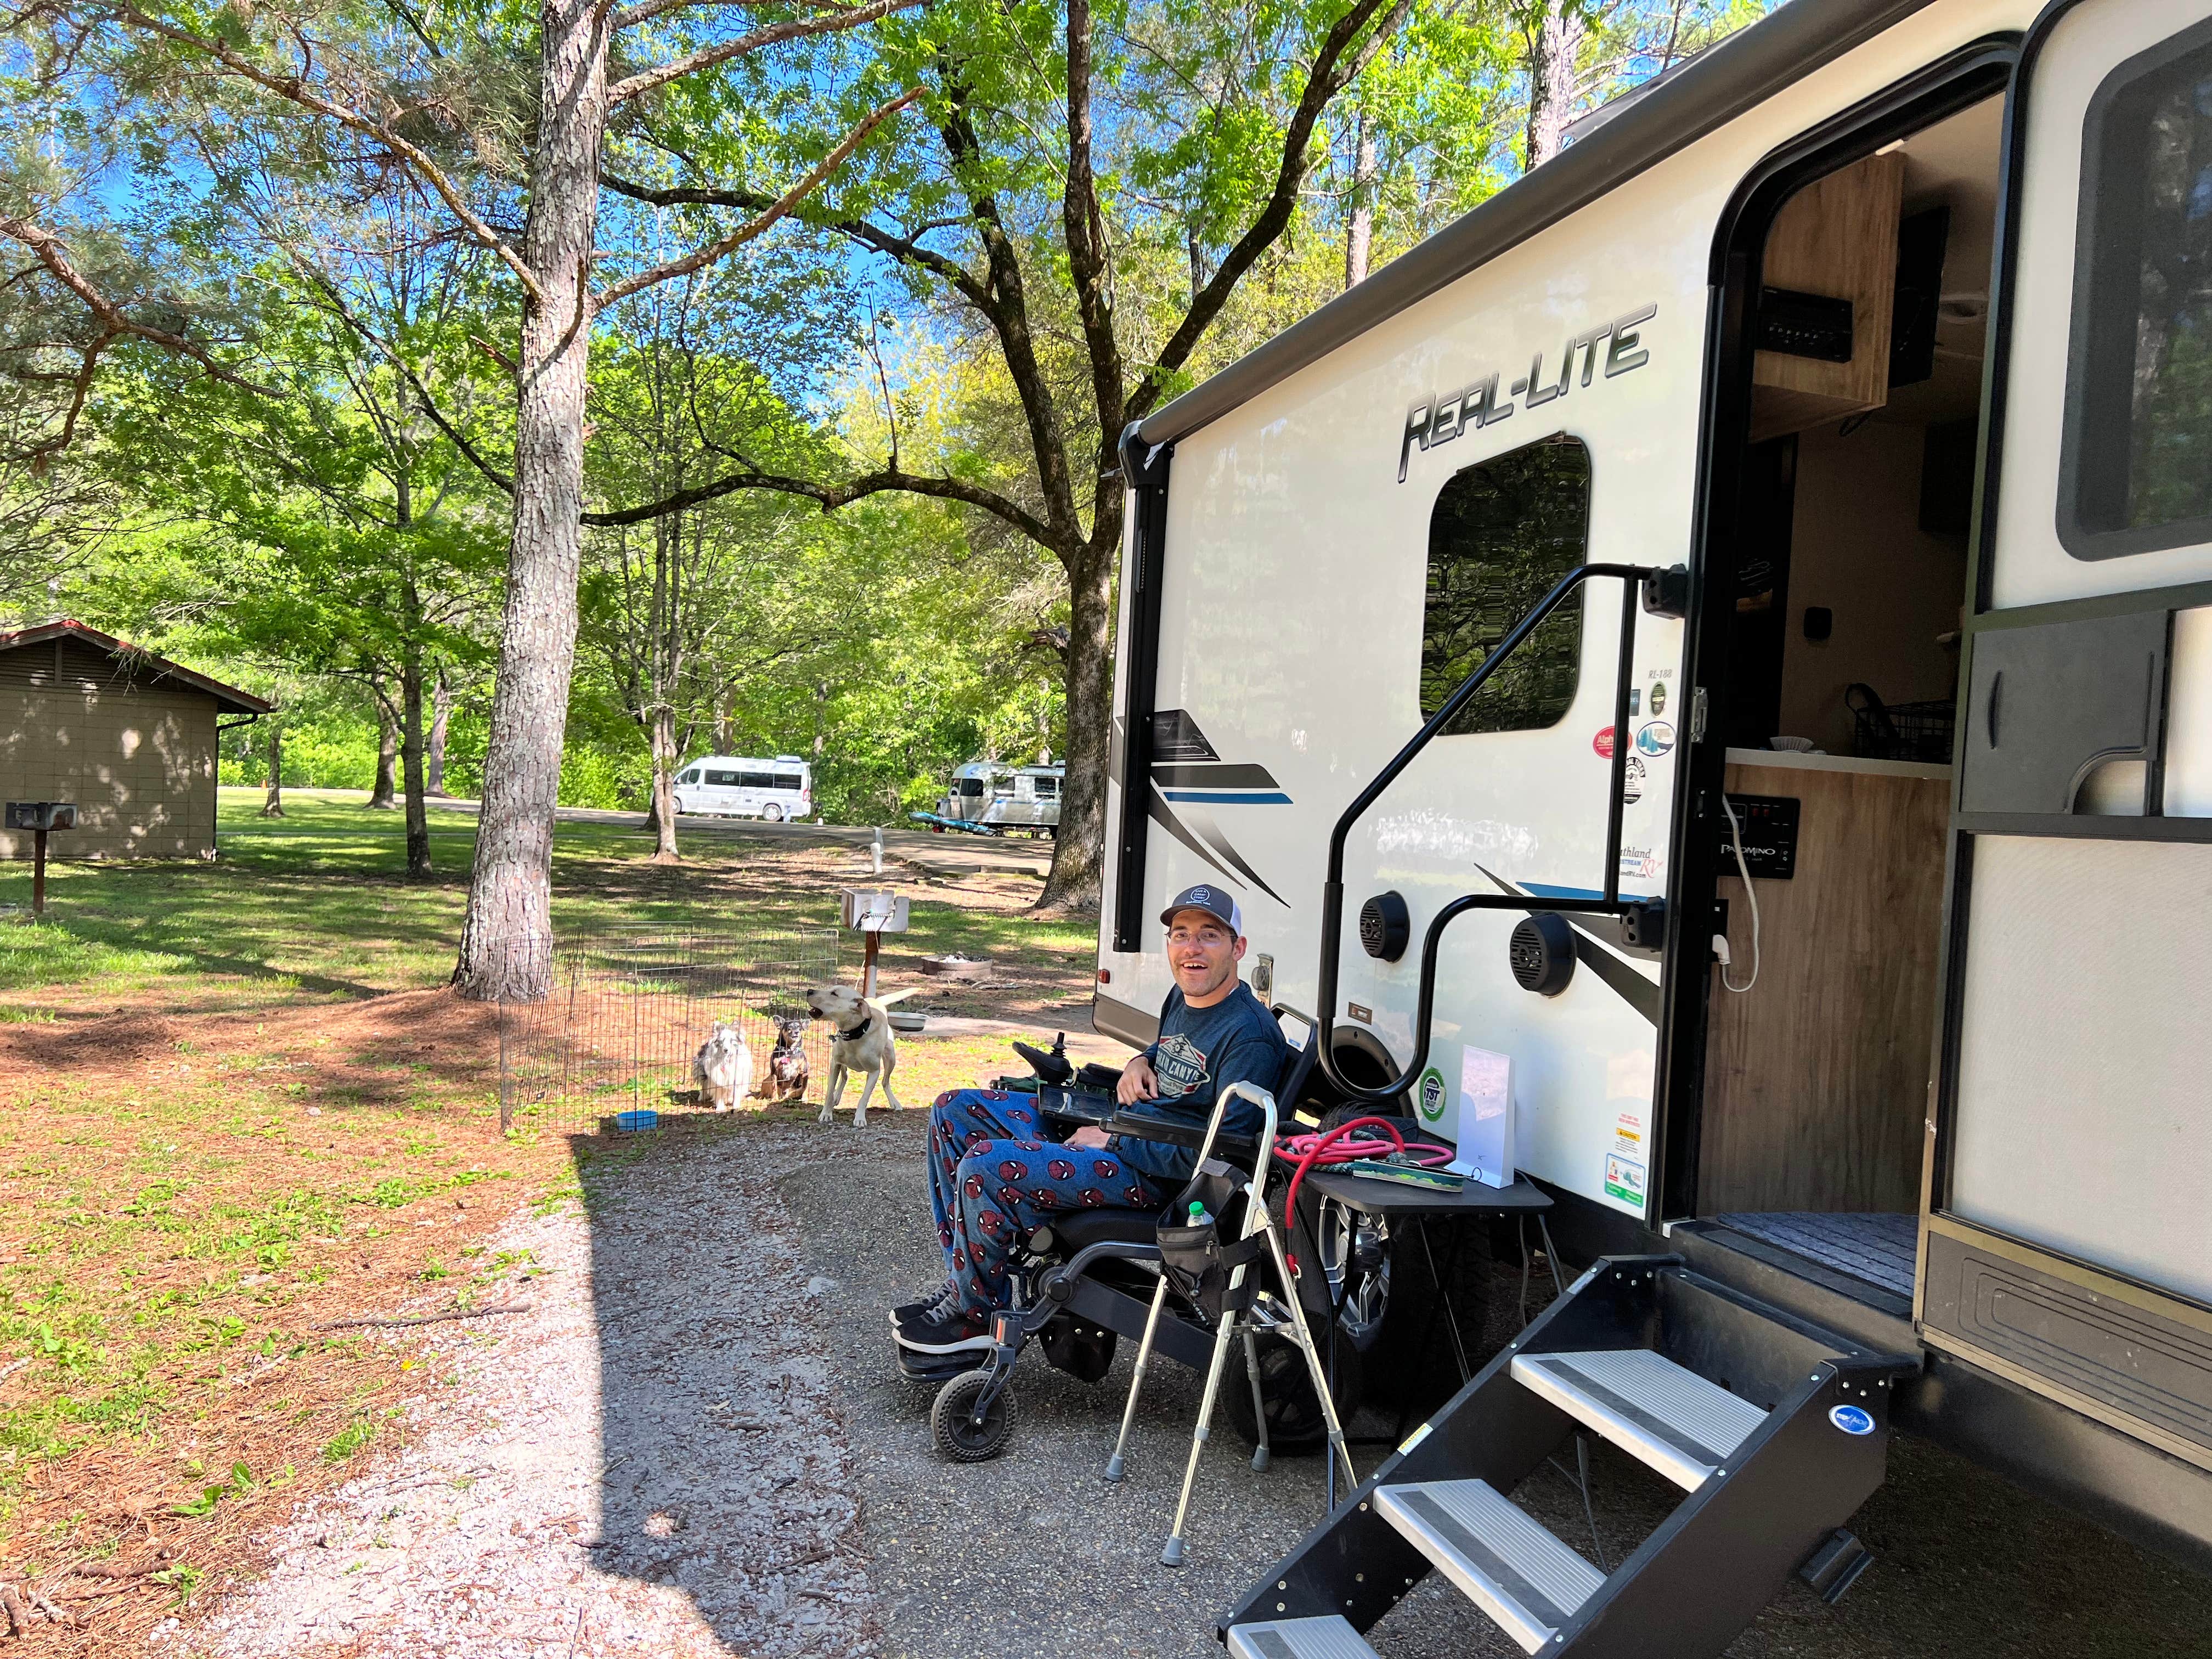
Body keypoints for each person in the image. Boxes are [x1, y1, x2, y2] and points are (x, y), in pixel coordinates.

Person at [894, 884, 1290, 1355]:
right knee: (952, 1111)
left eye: (1209, 936)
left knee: (984, 1167)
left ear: (1237, 948)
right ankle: (969, 1282)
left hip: (1161, 1180)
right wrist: (1140, 1062)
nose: (1192, 949)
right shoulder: (1183, 997)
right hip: (1125, 1134)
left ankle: (974, 1318)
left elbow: (1226, 1153)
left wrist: (1112, 1139)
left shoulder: (1250, 1037)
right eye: (1181, 935)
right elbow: (1171, 1054)